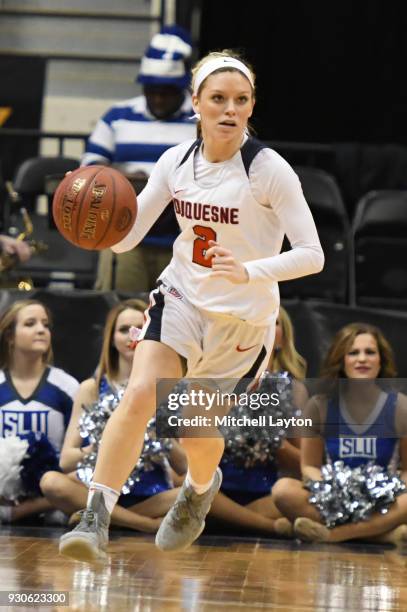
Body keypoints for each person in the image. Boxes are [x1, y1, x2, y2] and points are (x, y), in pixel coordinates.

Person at [59, 49, 324, 562]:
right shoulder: (175, 161)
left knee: (194, 432)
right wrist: (95, 222)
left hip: (242, 321)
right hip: (181, 296)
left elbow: (312, 256)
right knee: (139, 394)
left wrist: (249, 270)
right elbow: (126, 239)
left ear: (251, 106)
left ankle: (201, 488)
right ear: (196, 104)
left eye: (241, 100)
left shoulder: (269, 170)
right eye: (218, 99)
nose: (230, 109)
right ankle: (95, 517)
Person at [41, 299, 186, 532]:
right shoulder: (91, 388)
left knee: (199, 490)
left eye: (141, 327)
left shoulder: (168, 388)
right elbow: (66, 460)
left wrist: (158, 436)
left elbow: (186, 466)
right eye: (122, 329)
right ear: (111, 338)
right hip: (95, 488)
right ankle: (144, 525)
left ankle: (100, 518)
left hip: (151, 494)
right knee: (51, 482)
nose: (132, 335)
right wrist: (109, 441)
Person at [82, 25, 196, 292]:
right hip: (124, 237)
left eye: (166, 91)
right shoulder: (117, 116)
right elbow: (88, 171)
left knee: (179, 324)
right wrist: (131, 183)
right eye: (151, 89)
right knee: (121, 309)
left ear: (182, 86)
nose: (157, 97)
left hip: (185, 241)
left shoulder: (201, 121)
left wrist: (157, 187)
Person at [272, 322, 407, 546]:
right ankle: (384, 535)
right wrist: (332, 491)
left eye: (370, 352)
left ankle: (334, 535)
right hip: (335, 499)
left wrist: (389, 490)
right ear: (341, 360)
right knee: (283, 491)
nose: (362, 359)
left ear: (380, 360)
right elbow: (310, 467)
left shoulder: (400, 407)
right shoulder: (319, 406)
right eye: (353, 353)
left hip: (382, 501)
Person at [208, 306, 308, 534]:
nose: (264, 327)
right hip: (218, 489)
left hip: (267, 494)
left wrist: (273, 441)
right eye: (254, 321)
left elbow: (303, 464)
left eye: (273, 322)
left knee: (298, 495)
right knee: (191, 488)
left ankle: (230, 521)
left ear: (283, 338)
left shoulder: (295, 390)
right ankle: (271, 527)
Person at [0, 300, 79, 523]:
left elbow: (80, 455)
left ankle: (18, 513)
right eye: (30, 323)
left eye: (45, 324)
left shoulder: (67, 386)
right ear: (10, 336)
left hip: (53, 494)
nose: (41, 330)